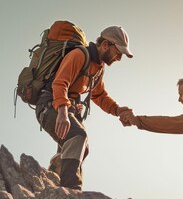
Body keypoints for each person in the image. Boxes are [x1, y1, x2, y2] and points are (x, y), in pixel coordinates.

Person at [35, 26, 134, 190]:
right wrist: (62, 112)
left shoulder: (98, 67)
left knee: (82, 147)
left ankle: (56, 169)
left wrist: (118, 110)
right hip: (50, 105)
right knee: (77, 137)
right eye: (118, 52)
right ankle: (71, 190)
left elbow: (99, 95)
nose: (119, 58)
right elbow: (60, 83)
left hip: (67, 109)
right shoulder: (79, 55)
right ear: (105, 45)